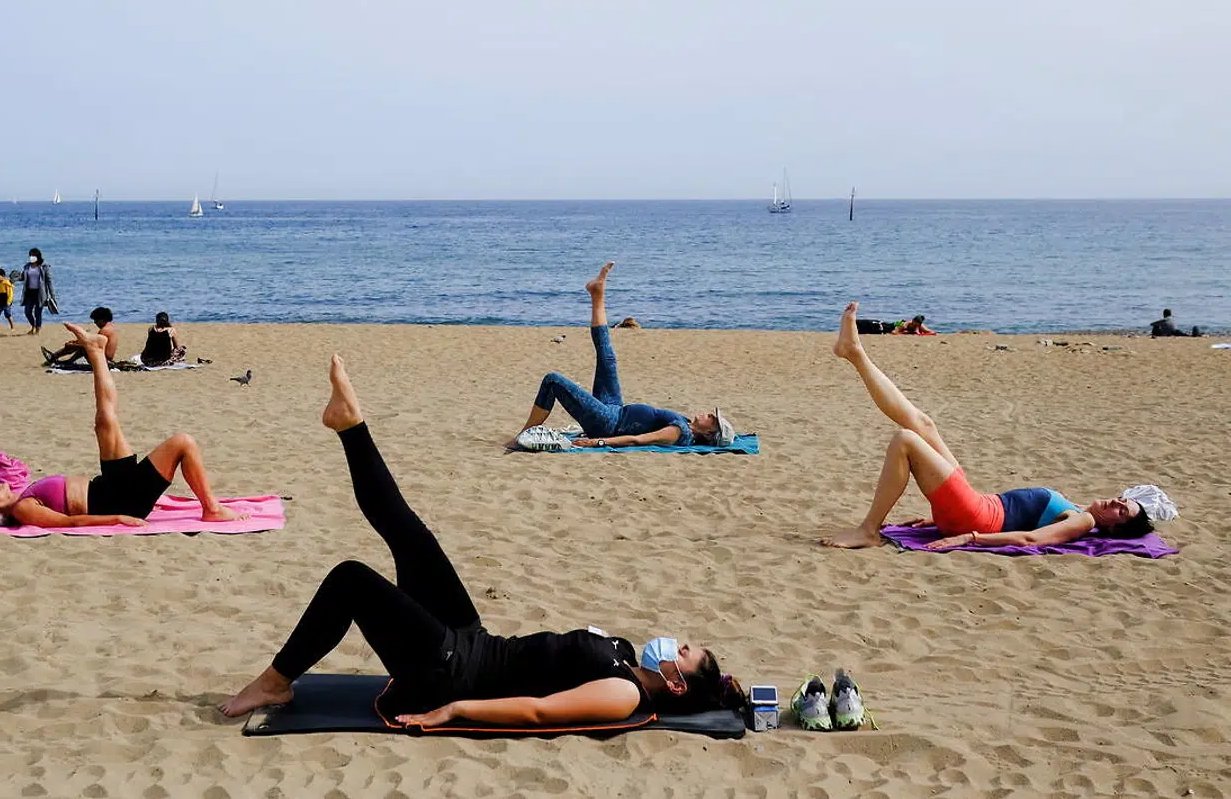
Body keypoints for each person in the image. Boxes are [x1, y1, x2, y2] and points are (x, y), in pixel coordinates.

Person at [219, 356, 746, 724]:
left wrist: (456, 710)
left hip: (451, 674)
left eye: (683, 652)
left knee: (351, 580)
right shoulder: (624, 655)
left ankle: (275, 682)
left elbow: (538, 711)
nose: (673, 643)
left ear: (676, 683)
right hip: (472, 641)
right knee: (411, 535)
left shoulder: (623, 695)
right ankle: (350, 426)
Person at [820, 302, 1156, 550]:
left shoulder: (1083, 521)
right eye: (1121, 500)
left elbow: (1030, 539)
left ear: (1114, 529)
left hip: (975, 517)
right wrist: (940, 518)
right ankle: (854, 353)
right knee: (924, 424)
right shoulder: (1078, 509)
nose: (1115, 503)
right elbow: (1020, 517)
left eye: (1121, 512)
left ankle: (869, 530)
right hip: (974, 505)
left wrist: (969, 537)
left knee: (906, 439)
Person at [0, 323, 246, 528]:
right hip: (122, 500)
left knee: (104, 420)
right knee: (183, 442)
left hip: (111, 486)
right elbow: (71, 523)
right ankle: (212, 509)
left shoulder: (22, 496)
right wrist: (118, 518)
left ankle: (96, 351)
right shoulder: (23, 510)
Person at [507, 263, 735, 449]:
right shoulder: (685, 425)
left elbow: (638, 440)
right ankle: (597, 293)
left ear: (709, 433)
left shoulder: (680, 432)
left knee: (553, 380)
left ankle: (524, 435)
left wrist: (598, 441)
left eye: (712, 419)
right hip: (615, 408)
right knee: (607, 357)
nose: (708, 414)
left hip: (609, 424)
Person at [42, 307, 117, 367]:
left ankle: (54, 356)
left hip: (103, 361)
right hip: (105, 359)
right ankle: (66, 360)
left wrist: (73, 345)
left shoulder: (104, 331)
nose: (95, 323)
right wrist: (76, 343)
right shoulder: (110, 328)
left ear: (102, 320)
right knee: (80, 345)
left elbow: (94, 345)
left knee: (80, 346)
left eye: (96, 320)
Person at [18, 249, 55, 335]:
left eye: (33, 255)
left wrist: (52, 295)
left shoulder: (44, 267)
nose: (31, 257)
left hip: (40, 293)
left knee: (37, 313)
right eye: (30, 255)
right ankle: (33, 326)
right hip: (29, 293)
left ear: (38, 256)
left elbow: (49, 281)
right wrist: (15, 277)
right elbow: (22, 277)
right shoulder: (27, 266)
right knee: (27, 312)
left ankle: (37, 330)